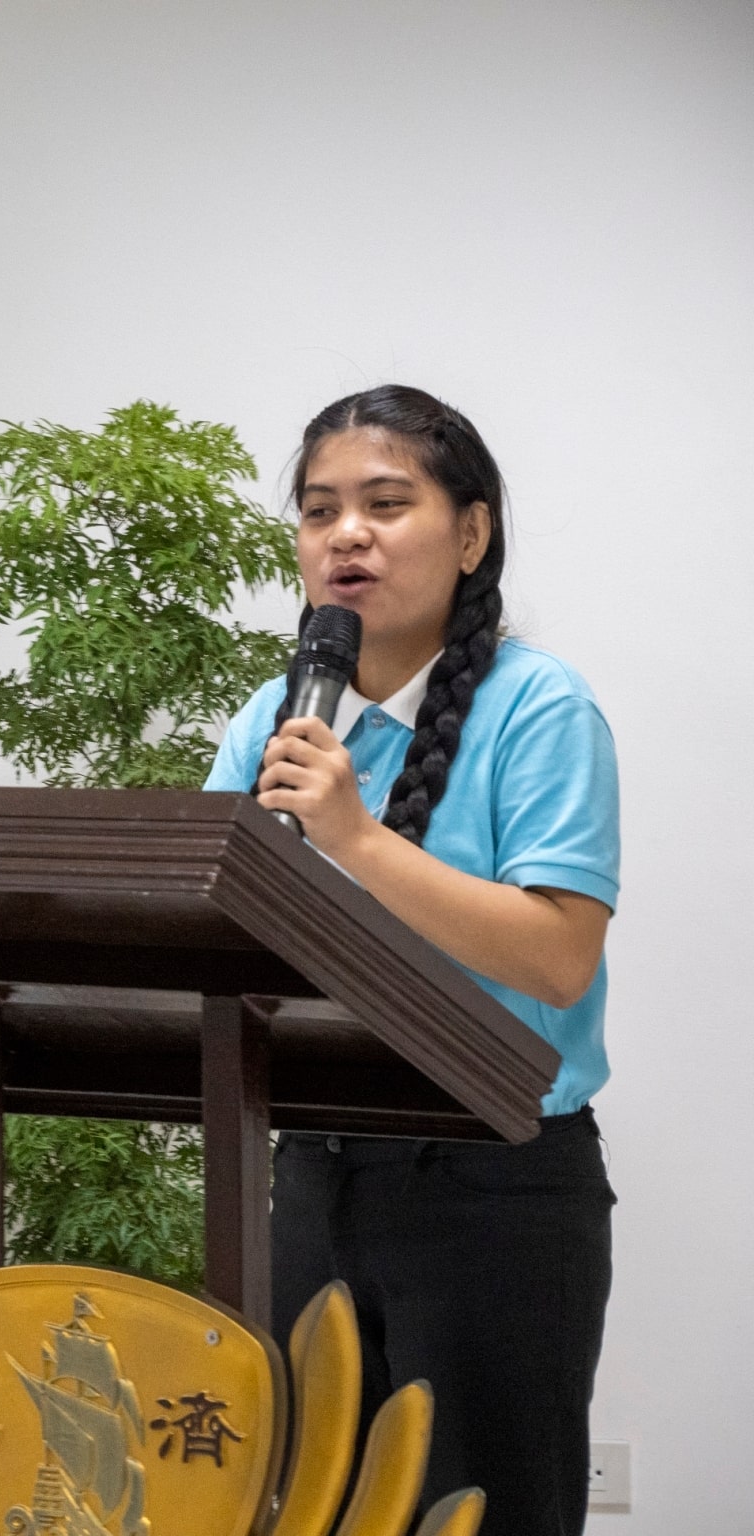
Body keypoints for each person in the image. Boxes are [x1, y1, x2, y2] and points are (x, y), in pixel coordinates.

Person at [203, 384, 617, 1535]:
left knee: (484, 1515)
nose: (345, 535)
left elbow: (555, 960)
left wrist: (351, 837)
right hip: (312, 1175)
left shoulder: (541, 708)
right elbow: (201, 928)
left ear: (469, 533)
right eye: (318, 509)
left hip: (494, 1188)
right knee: (310, 1510)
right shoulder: (275, 717)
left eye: (385, 504)